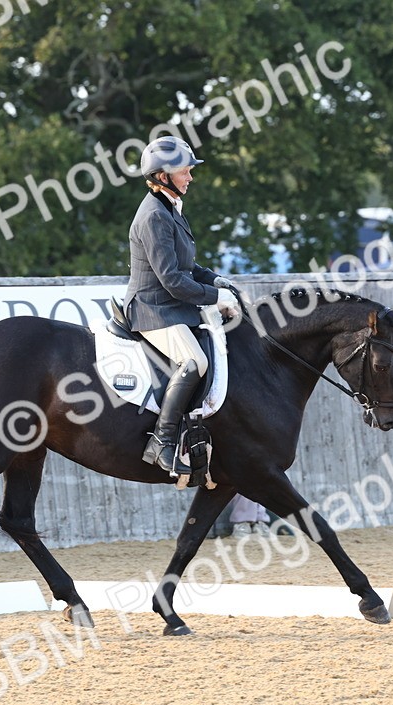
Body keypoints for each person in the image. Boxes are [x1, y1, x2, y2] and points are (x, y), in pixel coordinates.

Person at [126, 136, 239, 475]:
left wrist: (217, 281)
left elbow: (188, 267)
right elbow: (172, 280)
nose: (190, 177)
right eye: (184, 172)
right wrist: (214, 298)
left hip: (170, 306)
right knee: (195, 361)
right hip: (153, 308)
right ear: (163, 176)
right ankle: (161, 441)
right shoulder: (154, 217)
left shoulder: (169, 208)